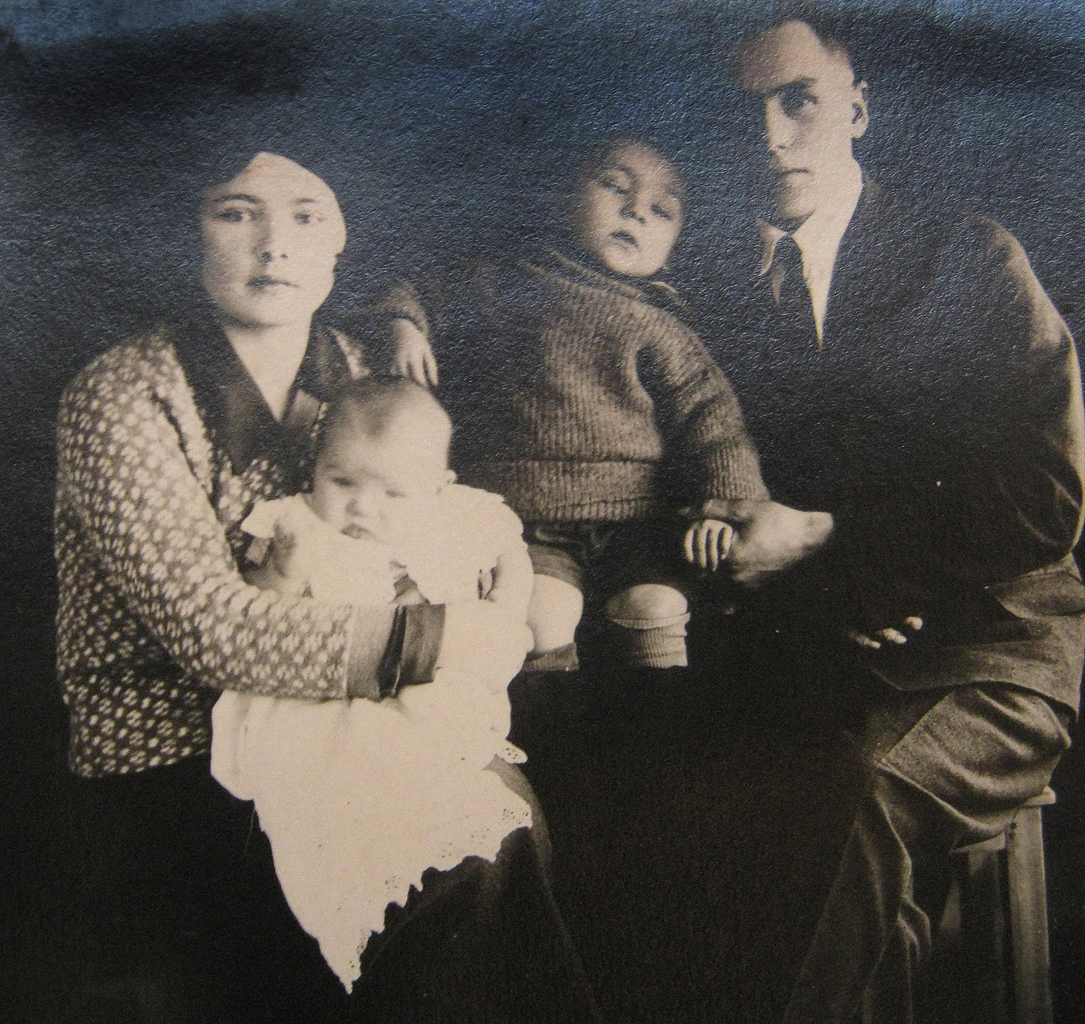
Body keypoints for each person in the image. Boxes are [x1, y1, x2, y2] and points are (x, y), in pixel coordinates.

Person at [55, 151, 599, 1023]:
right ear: (190, 229)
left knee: (504, 811)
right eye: (236, 212)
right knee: (460, 860)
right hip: (175, 760)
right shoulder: (123, 395)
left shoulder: (350, 367)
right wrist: (437, 638)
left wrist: (490, 583)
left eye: (306, 215)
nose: (275, 244)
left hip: (351, 720)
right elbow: (212, 630)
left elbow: (428, 514)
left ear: (341, 240)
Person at [704, 15, 1085, 1023]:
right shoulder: (700, 289)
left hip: (989, 648)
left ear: (856, 110)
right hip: (809, 646)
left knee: (854, 799)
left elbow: (1042, 493)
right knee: (692, 809)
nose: (769, 135)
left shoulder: (966, 258)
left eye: (798, 100)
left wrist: (837, 546)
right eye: (744, 111)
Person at [386, 135, 831, 678]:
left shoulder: (663, 325)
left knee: (656, 607)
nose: (635, 210)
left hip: (638, 523)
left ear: (677, 241)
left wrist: (729, 509)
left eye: (661, 211)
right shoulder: (500, 281)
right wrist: (403, 326)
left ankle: (653, 718)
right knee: (542, 617)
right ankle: (551, 722)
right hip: (528, 517)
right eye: (615, 186)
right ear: (564, 197)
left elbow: (714, 423)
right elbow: (412, 289)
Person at [210, 375, 539, 991]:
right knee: (350, 780)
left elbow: (510, 559)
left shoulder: (456, 517)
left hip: (426, 687)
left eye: (392, 492)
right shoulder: (294, 526)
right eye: (341, 482)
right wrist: (282, 575)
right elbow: (254, 613)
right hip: (319, 696)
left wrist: (501, 614)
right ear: (316, 469)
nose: (363, 507)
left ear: (437, 487)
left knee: (451, 769)